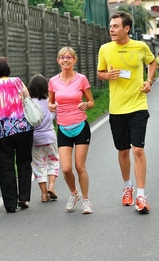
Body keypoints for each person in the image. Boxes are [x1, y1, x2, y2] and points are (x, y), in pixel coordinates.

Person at [97, 11, 156, 213]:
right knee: (122, 150)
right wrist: (107, 75)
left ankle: (141, 195)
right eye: (111, 26)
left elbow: (152, 62)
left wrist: (149, 81)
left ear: (126, 28)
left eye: (115, 26)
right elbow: (100, 72)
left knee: (137, 150)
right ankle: (127, 187)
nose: (111, 29)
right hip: (117, 108)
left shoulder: (141, 47)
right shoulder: (105, 49)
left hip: (138, 105)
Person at [48, 46, 95, 214]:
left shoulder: (81, 79)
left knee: (79, 166)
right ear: (58, 61)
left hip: (80, 126)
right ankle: (74, 194)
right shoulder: (53, 81)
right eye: (62, 57)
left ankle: (86, 201)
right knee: (66, 168)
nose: (65, 60)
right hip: (63, 128)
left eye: (69, 57)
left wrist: (86, 105)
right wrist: (51, 106)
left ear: (75, 60)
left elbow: (91, 101)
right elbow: (50, 102)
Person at [0, 56, 34, 213]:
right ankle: (24, 198)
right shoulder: (18, 82)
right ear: (8, 69)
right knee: (24, 163)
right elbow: (27, 99)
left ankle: (10, 204)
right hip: (23, 129)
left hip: (3, 132)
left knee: (5, 166)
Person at [27, 74, 59, 202]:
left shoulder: (29, 104)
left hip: (35, 139)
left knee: (39, 165)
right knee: (53, 162)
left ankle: (44, 194)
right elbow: (57, 119)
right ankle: (51, 186)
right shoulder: (51, 103)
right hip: (50, 137)